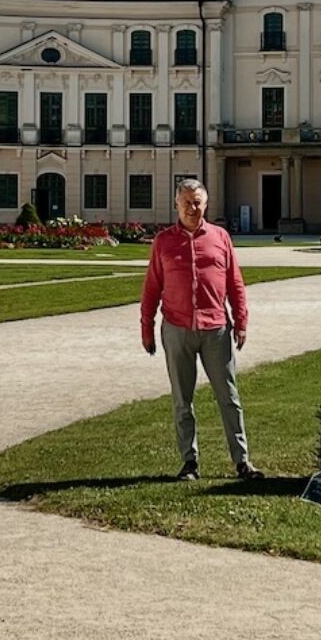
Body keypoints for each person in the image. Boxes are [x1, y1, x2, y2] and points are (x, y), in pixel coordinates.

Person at [140, 178, 263, 482]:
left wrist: (242, 320)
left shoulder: (220, 238)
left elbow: (235, 282)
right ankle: (189, 463)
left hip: (216, 328)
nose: (192, 208)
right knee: (183, 400)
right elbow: (151, 287)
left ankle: (242, 461)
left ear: (206, 204)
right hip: (177, 328)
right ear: (176, 205)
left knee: (229, 396)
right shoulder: (164, 242)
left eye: (197, 202)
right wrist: (147, 326)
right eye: (186, 203)